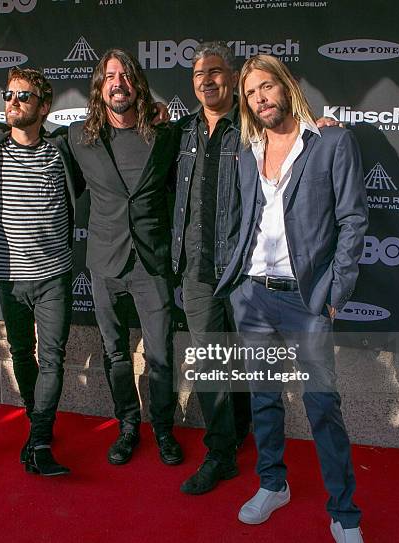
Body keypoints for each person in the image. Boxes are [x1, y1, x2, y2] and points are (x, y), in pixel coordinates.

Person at [216, 54, 367, 542]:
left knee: (322, 405)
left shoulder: (330, 142)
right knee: (264, 399)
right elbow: (236, 219)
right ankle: (272, 484)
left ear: (287, 86)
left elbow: (352, 221)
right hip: (253, 295)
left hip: (307, 301)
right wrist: (236, 282)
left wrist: (333, 294)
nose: (260, 98)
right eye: (251, 92)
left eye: (267, 87)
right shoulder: (246, 150)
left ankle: (344, 513)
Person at [0, 67, 84, 476]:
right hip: (9, 277)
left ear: (44, 106)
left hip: (54, 276)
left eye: (24, 96)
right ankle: (36, 419)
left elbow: (106, 137)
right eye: (8, 95)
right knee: (21, 354)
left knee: (52, 357)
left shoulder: (62, 151)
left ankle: (41, 441)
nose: (13, 102)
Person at [68, 49, 182, 466]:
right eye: (110, 76)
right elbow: (25, 142)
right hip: (104, 264)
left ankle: (165, 430)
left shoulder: (167, 135)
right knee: (115, 352)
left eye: (126, 75)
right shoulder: (79, 140)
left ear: (138, 85)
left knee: (161, 355)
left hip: (152, 263)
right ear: (99, 87)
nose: (118, 83)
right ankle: (128, 426)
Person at [171, 41, 251, 495]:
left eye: (215, 72)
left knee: (239, 362)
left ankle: (239, 433)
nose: (207, 80)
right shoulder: (182, 132)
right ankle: (220, 455)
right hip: (196, 270)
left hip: (242, 269)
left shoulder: (253, 125)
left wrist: (322, 123)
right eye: (199, 74)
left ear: (232, 76)